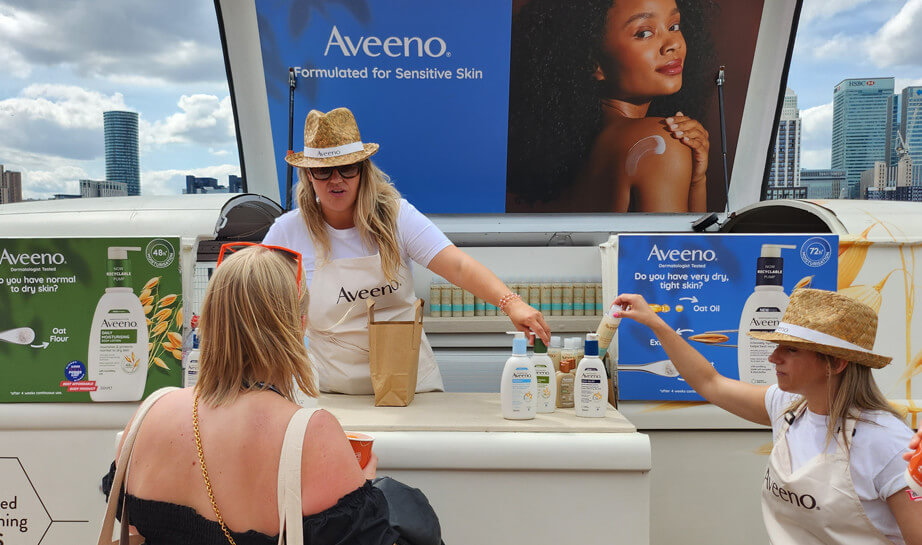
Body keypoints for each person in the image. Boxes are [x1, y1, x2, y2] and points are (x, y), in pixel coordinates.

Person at [102, 244, 399, 544]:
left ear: (211, 320)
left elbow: (131, 520)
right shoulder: (311, 433)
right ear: (297, 326)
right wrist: (364, 487)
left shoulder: (149, 413)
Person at [263, 107, 550, 394]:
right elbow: (253, 298)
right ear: (308, 175)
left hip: (408, 384)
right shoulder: (287, 232)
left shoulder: (398, 216)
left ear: (363, 171)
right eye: (323, 171)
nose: (336, 180)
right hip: (332, 390)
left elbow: (457, 266)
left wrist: (512, 303)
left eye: (347, 168)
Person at [615, 288, 922, 544]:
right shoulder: (788, 406)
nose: (773, 357)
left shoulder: (887, 442)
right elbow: (710, 383)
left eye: (791, 350)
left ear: (836, 364)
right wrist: (657, 324)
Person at [506, 0, 714, 213]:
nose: (673, 44)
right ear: (592, 60)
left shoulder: (590, 149)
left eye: (674, 26)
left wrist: (697, 181)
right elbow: (675, 247)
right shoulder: (656, 142)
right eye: (644, 33)